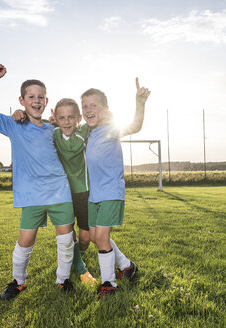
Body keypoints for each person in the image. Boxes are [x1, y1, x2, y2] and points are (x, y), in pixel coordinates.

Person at [0, 64, 76, 301]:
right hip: (32, 196)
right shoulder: (14, 125)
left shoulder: (54, 128)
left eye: (41, 96)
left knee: (65, 239)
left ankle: (63, 280)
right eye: (31, 96)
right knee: (25, 240)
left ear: (46, 100)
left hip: (60, 192)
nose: (36, 100)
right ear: (21, 100)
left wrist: (59, 122)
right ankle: (18, 282)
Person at [13, 98, 96, 285]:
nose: (66, 121)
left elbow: (85, 132)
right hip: (61, 192)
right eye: (61, 118)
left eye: (71, 117)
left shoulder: (83, 130)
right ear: (56, 118)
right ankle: (80, 267)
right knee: (69, 234)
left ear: (78, 118)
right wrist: (21, 113)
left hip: (83, 191)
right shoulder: (51, 131)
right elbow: (35, 125)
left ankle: (76, 259)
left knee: (85, 239)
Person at [81, 78, 150, 297]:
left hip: (111, 191)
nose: (88, 110)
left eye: (94, 105)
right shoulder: (88, 134)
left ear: (105, 109)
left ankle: (109, 284)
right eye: (85, 106)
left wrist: (140, 103)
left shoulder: (111, 129)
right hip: (94, 196)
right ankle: (128, 267)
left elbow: (135, 126)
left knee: (101, 238)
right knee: (94, 237)